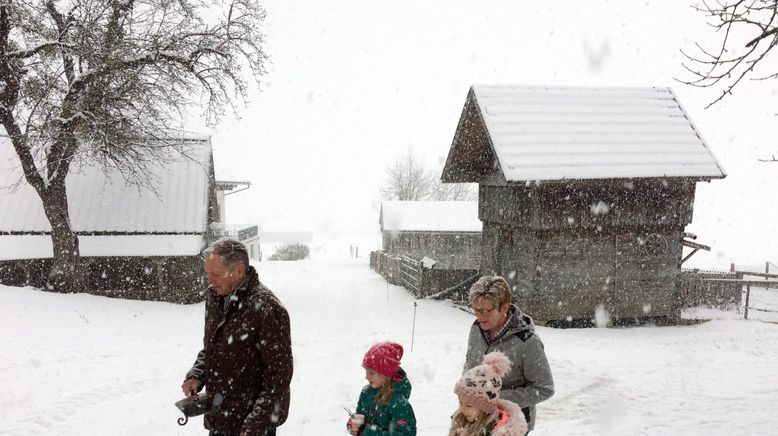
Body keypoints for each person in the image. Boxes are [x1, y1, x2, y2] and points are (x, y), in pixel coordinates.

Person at [181, 238, 293, 436]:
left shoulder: (267, 308)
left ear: (239, 271)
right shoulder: (215, 298)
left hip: (252, 425)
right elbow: (213, 347)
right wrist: (197, 374)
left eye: (215, 274)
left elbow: (279, 376)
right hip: (220, 417)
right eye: (207, 273)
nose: (209, 280)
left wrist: (254, 425)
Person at [463, 276, 554, 433]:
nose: (479, 316)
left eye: (485, 311)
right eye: (475, 310)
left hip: (511, 424)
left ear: (504, 308)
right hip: (477, 419)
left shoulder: (527, 342)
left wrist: (495, 398)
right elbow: (470, 365)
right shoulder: (477, 328)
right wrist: (465, 394)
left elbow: (544, 388)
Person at [449, 351, 528, 436]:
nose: (462, 409)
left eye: (468, 406)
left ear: (485, 408)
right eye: (460, 403)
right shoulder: (462, 420)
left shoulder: (499, 430)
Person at [346, 342, 417, 435]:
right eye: (366, 371)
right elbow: (360, 417)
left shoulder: (399, 404)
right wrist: (354, 426)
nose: (366, 377)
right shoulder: (366, 392)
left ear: (386, 375)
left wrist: (366, 432)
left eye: (371, 373)